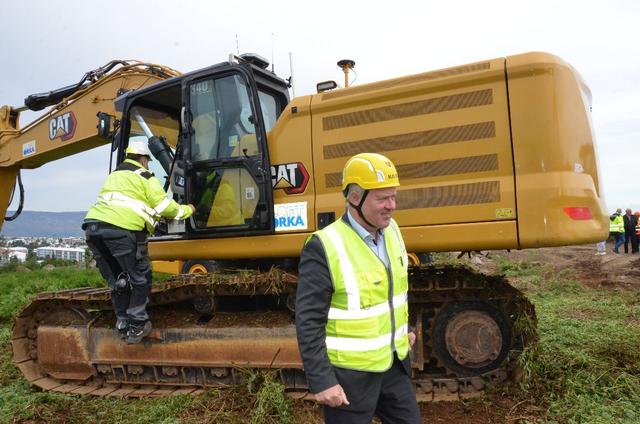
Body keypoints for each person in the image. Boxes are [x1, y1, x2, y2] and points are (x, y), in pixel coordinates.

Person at [296, 153, 421, 424]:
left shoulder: (392, 230)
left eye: (394, 196)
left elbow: (391, 291)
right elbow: (308, 320)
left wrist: (403, 331)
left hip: (393, 365)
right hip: (349, 377)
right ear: (355, 198)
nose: (392, 206)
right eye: (382, 198)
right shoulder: (324, 246)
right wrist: (322, 381)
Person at [83, 140, 195, 344]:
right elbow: (165, 206)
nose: (148, 165)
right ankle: (137, 325)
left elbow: (126, 204)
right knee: (140, 277)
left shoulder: (114, 176)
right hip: (122, 232)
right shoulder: (144, 176)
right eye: (148, 162)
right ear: (143, 160)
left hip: (93, 230)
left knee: (119, 280)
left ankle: (123, 322)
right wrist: (188, 210)